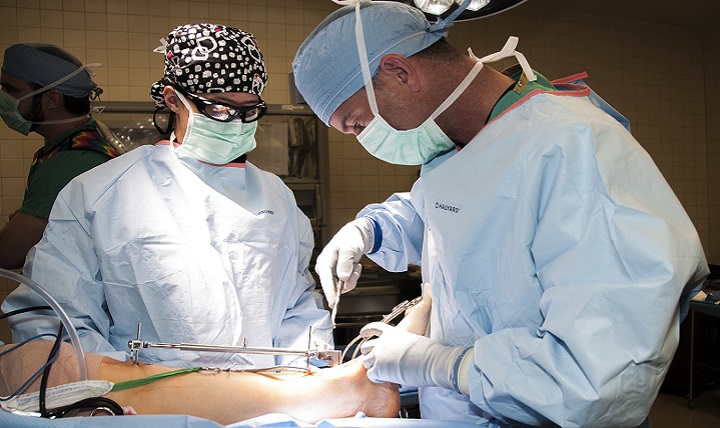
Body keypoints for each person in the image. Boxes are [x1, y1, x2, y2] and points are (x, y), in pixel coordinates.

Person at [292, 2, 709, 426]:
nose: (365, 139)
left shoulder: (574, 148)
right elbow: (452, 217)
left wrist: (441, 364)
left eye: (358, 123)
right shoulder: (459, 146)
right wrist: (372, 229)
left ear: (401, 73)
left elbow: (597, 382)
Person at [2, 23, 332, 370]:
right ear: (174, 99)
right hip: (146, 406)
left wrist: (305, 374)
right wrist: (129, 389)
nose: (235, 123)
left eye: (249, 110)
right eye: (219, 109)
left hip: (268, 402)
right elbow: (55, 320)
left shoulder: (275, 195)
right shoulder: (100, 192)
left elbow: (297, 305)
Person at [0, 340, 400, 424]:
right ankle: (332, 393)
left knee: (37, 360)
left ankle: (324, 390)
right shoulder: (96, 192)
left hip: (279, 368)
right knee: (39, 366)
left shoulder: (273, 194)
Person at [0, 43, 120, 269]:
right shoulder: (86, 140)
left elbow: (7, 253)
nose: (3, 98)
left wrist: (22, 228)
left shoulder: (71, 161)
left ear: (52, 99)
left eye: (10, 90)